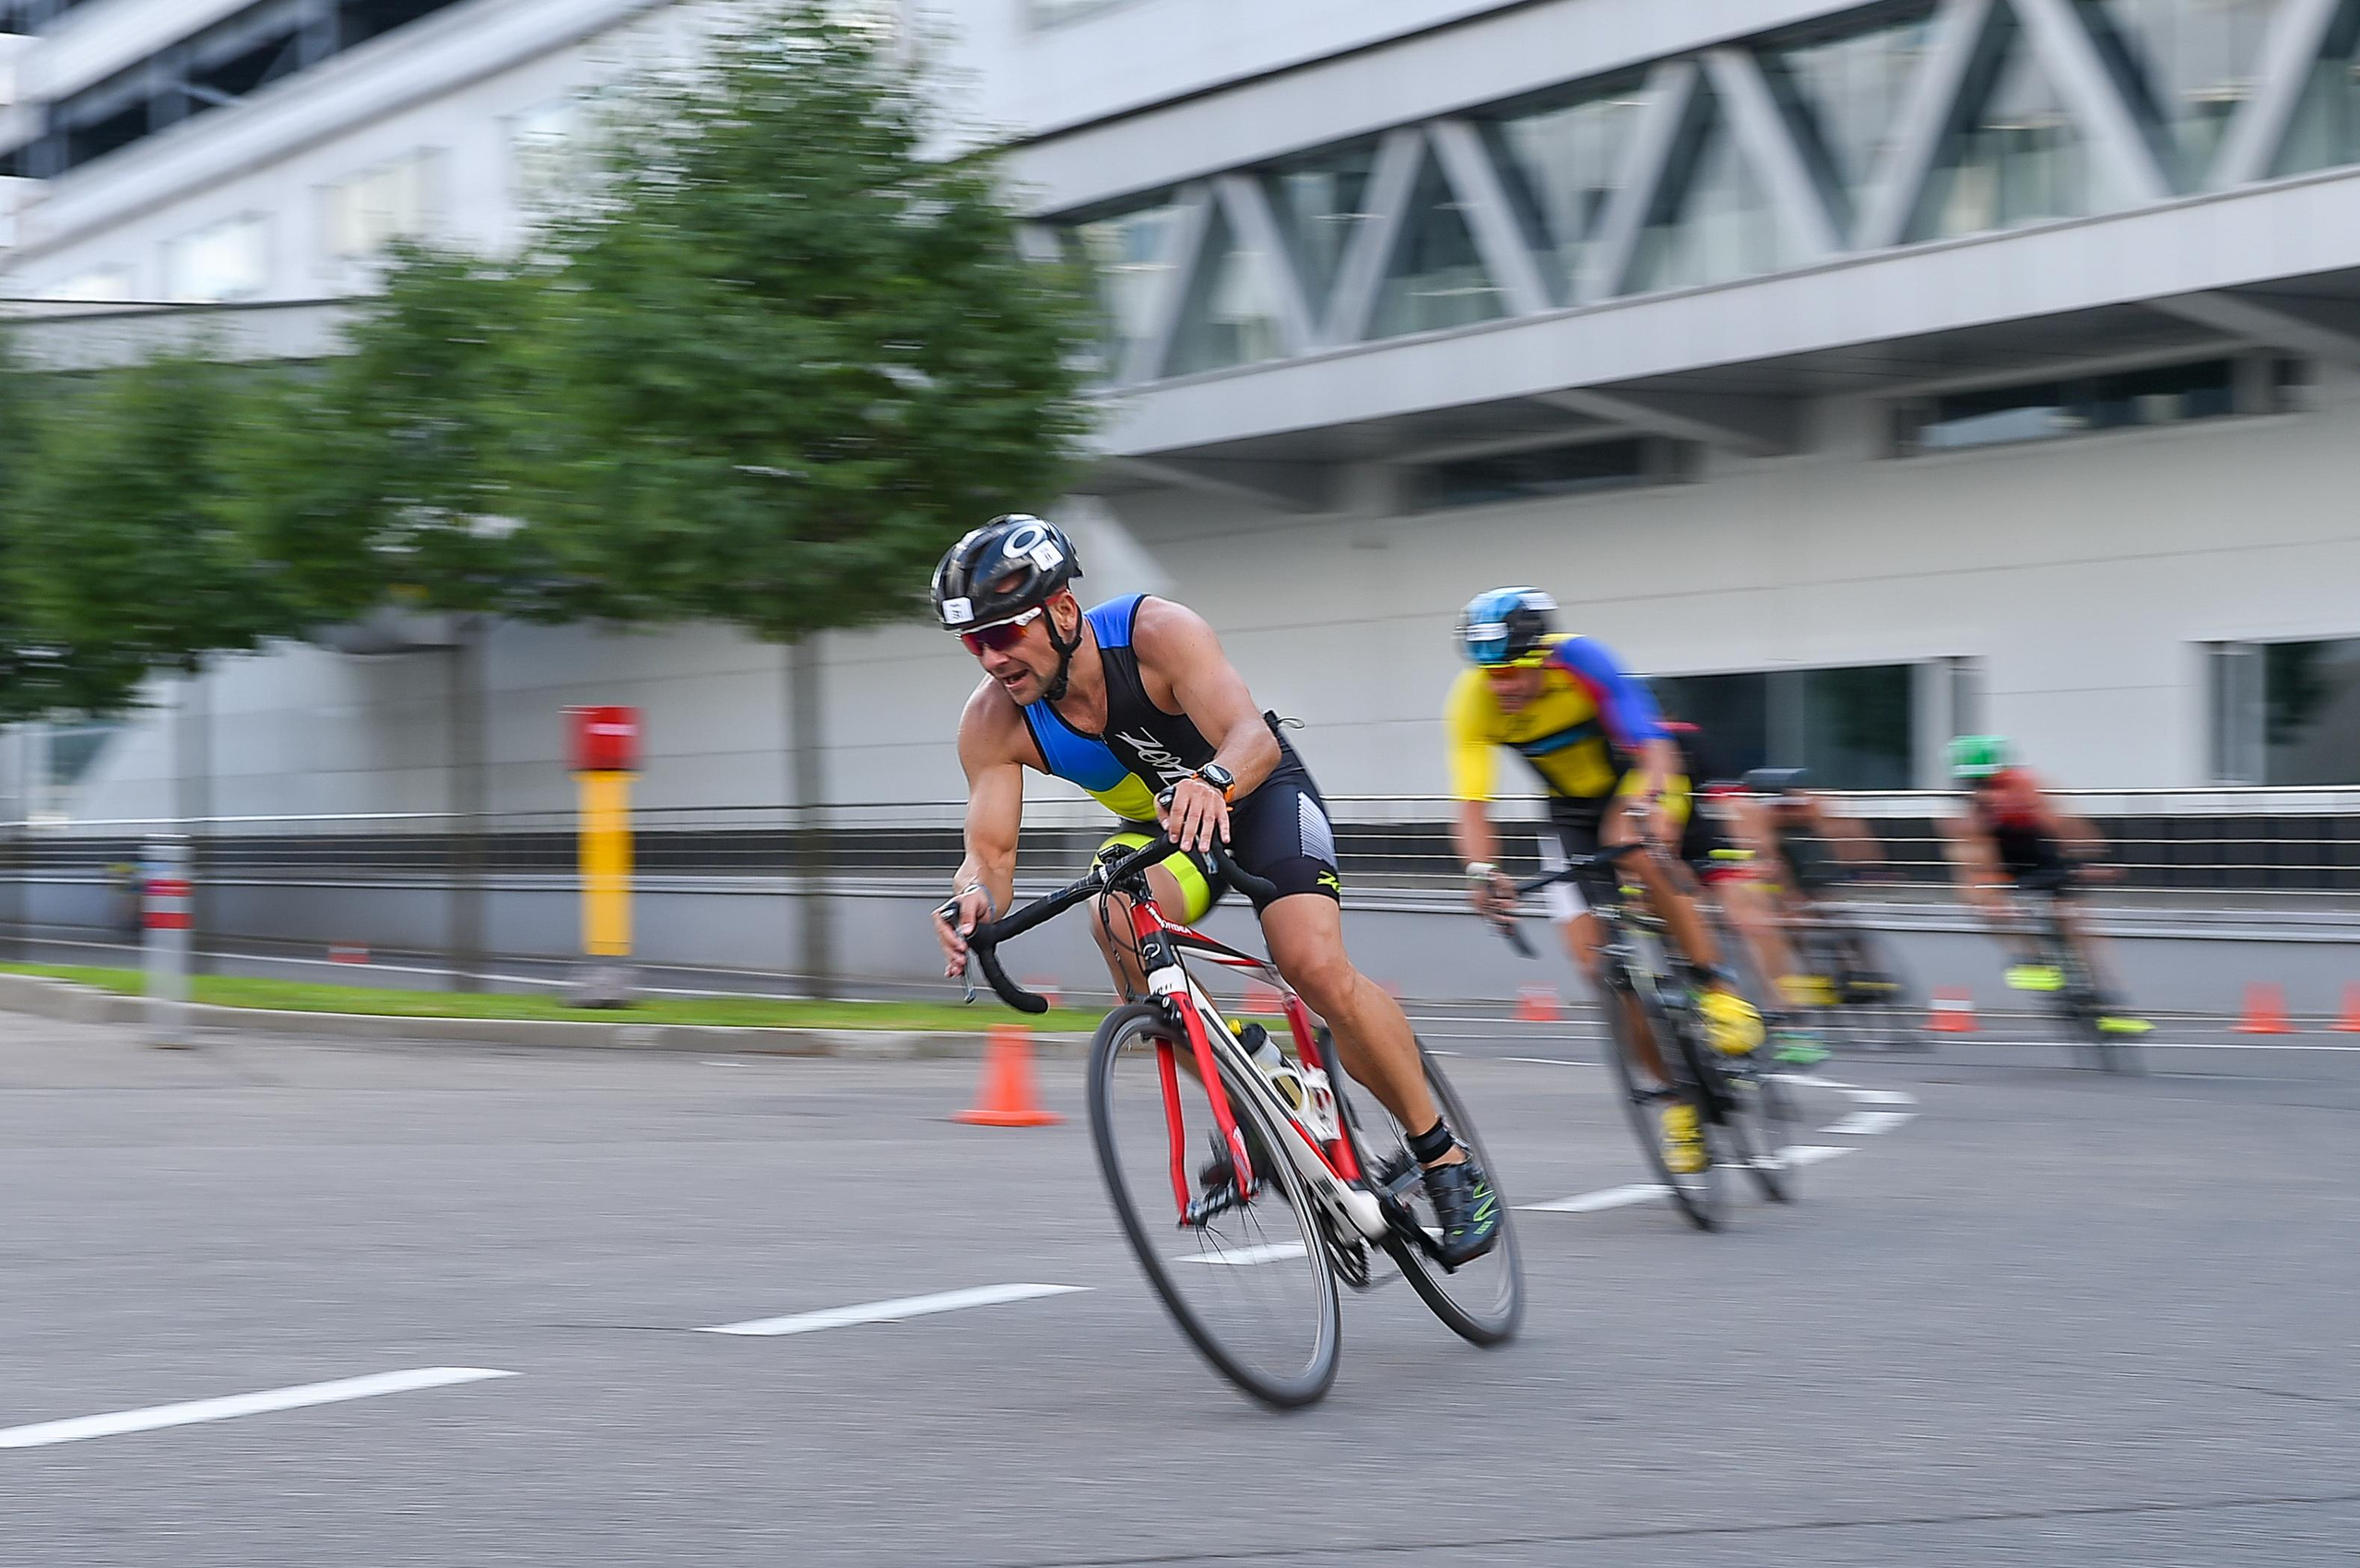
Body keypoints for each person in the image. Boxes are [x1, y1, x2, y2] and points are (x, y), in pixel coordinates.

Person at [928, 515, 1500, 1266]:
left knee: (1313, 964)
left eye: (1005, 633)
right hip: (1163, 828)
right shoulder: (992, 720)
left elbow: (1251, 733)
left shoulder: (1156, 632)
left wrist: (1214, 779)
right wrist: (970, 897)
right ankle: (1258, 1103)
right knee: (1116, 916)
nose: (992, 657)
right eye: (975, 642)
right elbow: (990, 853)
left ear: (1063, 610)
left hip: (1253, 792)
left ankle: (1444, 1159)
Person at [1446, 587, 1762, 1176]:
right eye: (1490, 675)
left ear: (1540, 655)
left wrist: (1650, 811)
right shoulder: (1473, 700)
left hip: (1639, 778)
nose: (1503, 686)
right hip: (1569, 812)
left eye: (1513, 671)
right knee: (1601, 969)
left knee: (1637, 851)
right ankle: (1676, 1099)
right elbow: (1472, 808)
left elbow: (1657, 752)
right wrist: (1483, 873)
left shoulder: (1583, 659)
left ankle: (1718, 989)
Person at [1940, 736, 2148, 1035]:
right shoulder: (1962, 815)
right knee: (1987, 908)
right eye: (1974, 785)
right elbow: (1972, 863)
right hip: (1998, 863)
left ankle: (2112, 1004)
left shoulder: (2027, 787)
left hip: (2039, 855)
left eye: (1989, 783)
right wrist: (1988, 898)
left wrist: (2093, 855)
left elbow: (2065, 823)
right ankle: (2028, 959)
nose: (1984, 792)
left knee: (2080, 925)